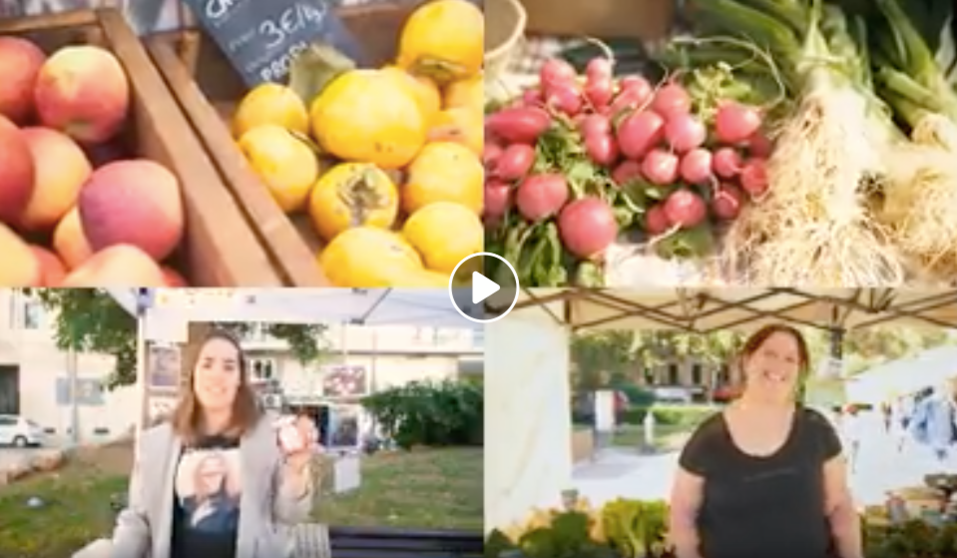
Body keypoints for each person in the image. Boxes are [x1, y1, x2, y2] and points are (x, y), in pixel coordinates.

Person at [74, 329, 319, 558]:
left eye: (229, 367)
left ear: (240, 379)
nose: (217, 375)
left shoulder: (269, 437)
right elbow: (138, 518)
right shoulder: (156, 442)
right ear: (193, 374)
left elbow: (290, 515)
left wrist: (296, 470)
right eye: (207, 364)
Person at [668, 324, 862, 558]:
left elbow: (839, 506)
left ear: (799, 371)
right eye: (770, 354)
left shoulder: (817, 430)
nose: (779, 366)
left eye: (790, 359)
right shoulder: (709, 438)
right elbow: (682, 517)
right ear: (748, 360)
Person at [908, 383, 957, 465]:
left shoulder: (950, 440)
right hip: (934, 405)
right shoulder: (928, 441)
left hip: (945, 403)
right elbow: (914, 426)